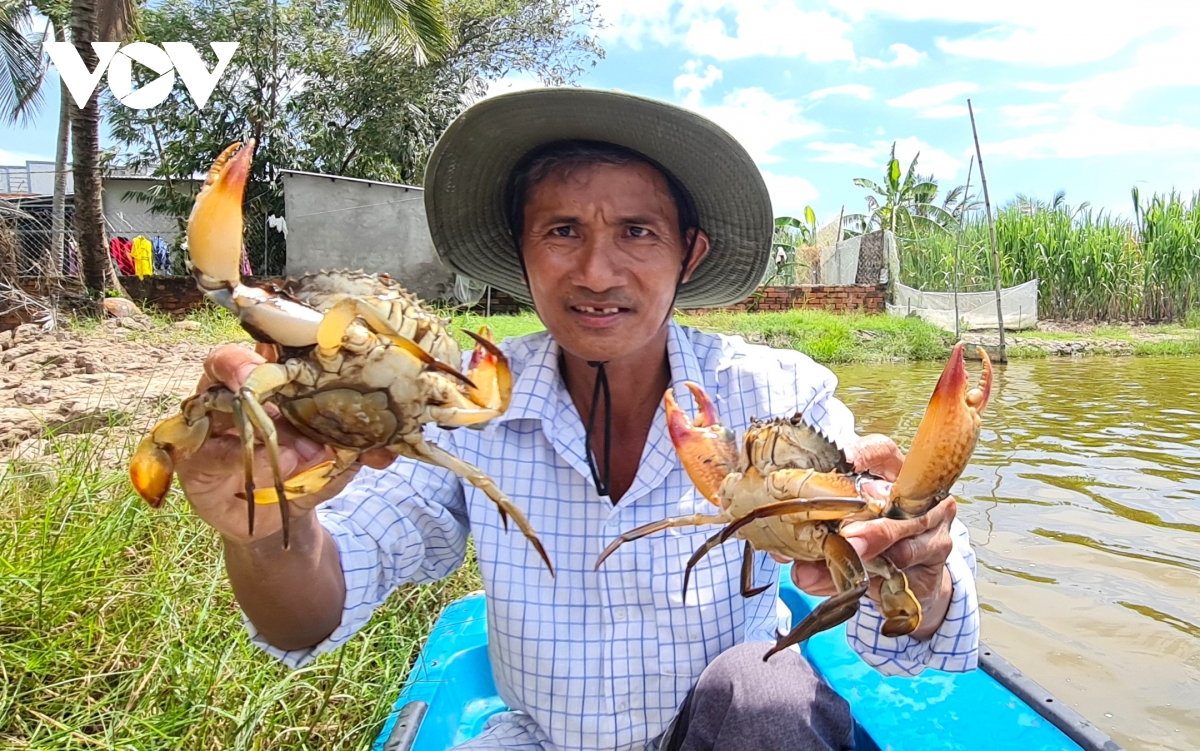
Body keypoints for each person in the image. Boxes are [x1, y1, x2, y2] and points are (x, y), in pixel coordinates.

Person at [176, 89, 979, 751]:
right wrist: (263, 528)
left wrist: (922, 565)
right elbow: (310, 609)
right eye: (563, 231)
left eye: (637, 231)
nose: (596, 272)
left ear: (688, 253)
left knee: (764, 695)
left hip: (722, 728)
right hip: (541, 737)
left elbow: (915, 634)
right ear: (522, 250)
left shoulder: (778, 390)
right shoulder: (460, 402)